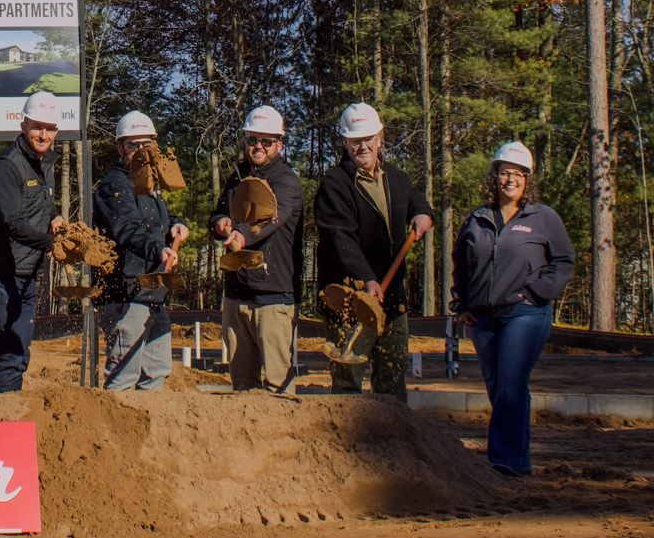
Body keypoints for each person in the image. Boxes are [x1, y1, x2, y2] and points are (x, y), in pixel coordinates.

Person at [452, 140, 575, 476]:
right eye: (505, 173)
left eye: (518, 174)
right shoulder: (478, 218)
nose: (510, 180)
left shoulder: (543, 217)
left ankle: (504, 462)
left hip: (525, 314)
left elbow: (563, 261)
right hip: (483, 317)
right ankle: (518, 460)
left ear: (527, 179)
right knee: (497, 386)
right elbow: (461, 264)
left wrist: (535, 292)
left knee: (510, 384)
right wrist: (462, 304)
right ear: (495, 177)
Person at [313, 102, 434, 399]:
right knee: (347, 379)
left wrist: (422, 213)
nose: (363, 146)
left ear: (380, 138)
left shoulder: (396, 178)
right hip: (350, 298)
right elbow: (341, 239)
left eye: (368, 138)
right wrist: (367, 279)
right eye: (355, 141)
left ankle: (393, 441)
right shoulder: (335, 185)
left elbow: (416, 200)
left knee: (392, 376)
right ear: (345, 142)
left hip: (391, 298)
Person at [0, 90, 67, 394]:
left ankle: (3, 408)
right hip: (0, 272)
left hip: (27, 272)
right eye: (37, 126)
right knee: (12, 351)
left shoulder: (43, 163)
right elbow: (12, 222)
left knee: (20, 351)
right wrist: (49, 243)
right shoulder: (6, 166)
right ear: (23, 124)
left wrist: (54, 216)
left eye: (50, 128)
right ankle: (3, 420)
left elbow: (41, 205)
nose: (44, 134)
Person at [91, 110, 189, 391]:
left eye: (147, 145)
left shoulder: (149, 184)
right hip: (125, 293)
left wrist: (176, 225)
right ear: (121, 148)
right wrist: (158, 249)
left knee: (155, 372)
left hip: (152, 291)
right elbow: (128, 229)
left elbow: (160, 220)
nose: (142, 152)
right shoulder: (115, 185)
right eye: (134, 145)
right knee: (124, 374)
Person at [209, 105, 305, 392]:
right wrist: (220, 223)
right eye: (252, 140)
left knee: (278, 387)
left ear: (279, 144)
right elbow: (217, 214)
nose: (258, 147)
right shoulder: (236, 177)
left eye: (266, 141)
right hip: (237, 294)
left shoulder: (286, 181)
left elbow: (268, 219)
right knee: (242, 387)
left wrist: (239, 234)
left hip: (272, 296)